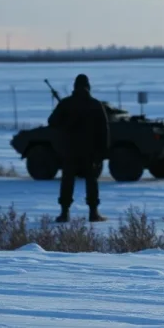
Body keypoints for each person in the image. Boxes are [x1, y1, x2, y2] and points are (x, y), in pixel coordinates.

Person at [48, 74, 110, 223]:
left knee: (67, 181)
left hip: (70, 150)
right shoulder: (95, 104)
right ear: (88, 87)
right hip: (90, 151)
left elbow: (52, 121)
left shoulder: (66, 103)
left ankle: (64, 213)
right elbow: (104, 130)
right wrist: (102, 152)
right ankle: (93, 213)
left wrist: (66, 123)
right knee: (91, 181)